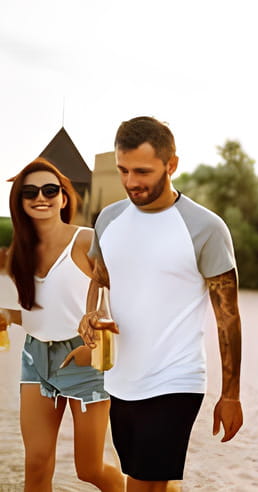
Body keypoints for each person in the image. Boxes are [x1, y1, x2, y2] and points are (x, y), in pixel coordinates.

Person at [71, 116, 244, 492]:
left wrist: (230, 394)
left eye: (143, 171)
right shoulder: (109, 219)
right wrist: (91, 314)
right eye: (123, 170)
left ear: (171, 165)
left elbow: (228, 318)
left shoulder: (206, 228)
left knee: (142, 483)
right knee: (148, 480)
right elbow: (101, 279)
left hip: (176, 379)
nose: (131, 181)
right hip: (120, 379)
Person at [1, 158, 124, 491]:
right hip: (35, 358)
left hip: (84, 359)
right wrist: (8, 316)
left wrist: (95, 347)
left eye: (49, 190)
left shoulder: (86, 241)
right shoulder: (19, 253)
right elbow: (38, 314)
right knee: (36, 462)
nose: (40, 197)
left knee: (90, 469)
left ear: (64, 197)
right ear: (19, 201)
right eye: (29, 192)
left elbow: (124, 298)